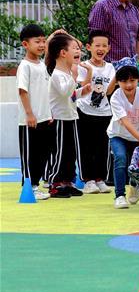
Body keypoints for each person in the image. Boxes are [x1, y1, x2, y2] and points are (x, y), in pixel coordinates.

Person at [45, 32, 94, 198]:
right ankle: (55, 183)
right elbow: (66, 92)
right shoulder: (57, 75)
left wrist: (82, 91)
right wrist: (74, 76)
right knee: (59, 152)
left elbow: (71, 95)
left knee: (70, 152)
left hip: (71, 117)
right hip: (59, 119)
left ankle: (68, 182)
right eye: (74, 48)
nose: (78, 51)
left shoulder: (66, 75)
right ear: (62, 53)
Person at [107, 57, 139, 209]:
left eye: (132, 80)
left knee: (138, 163)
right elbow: (124, 121)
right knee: (121, 159)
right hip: (119, 135)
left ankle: (135, 185)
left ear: (138, 79)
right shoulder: (116, 97)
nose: (129, 85)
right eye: (124, 81)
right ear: (118, 82)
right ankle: (119, 195)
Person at [75, 30, 116, 194]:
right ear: (89, 47)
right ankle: (88, 180)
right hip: (84, 111)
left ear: (109, 48)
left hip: (104, 113)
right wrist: (90, 72)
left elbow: (110, 91)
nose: (101, 49)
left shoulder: (111, 67)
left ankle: (100, 179)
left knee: (102, 147)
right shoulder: (83, 66)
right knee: (86, 147)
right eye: (97, 45)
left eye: (104, 46)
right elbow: (82, 88)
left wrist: (116, 76)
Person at [16, 24, 52, 200]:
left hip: (44, 118)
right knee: (30, 155)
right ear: (25, 44)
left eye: (43, 41)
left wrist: (49, 113)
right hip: (29, 120)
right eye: (37, 41)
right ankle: (29, 186)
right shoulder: (25, 66)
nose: (41, 45)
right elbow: (23, 91)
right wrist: (29, 114)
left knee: (42, 153)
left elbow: (45, 91)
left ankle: (36, 184)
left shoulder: (41, 65)